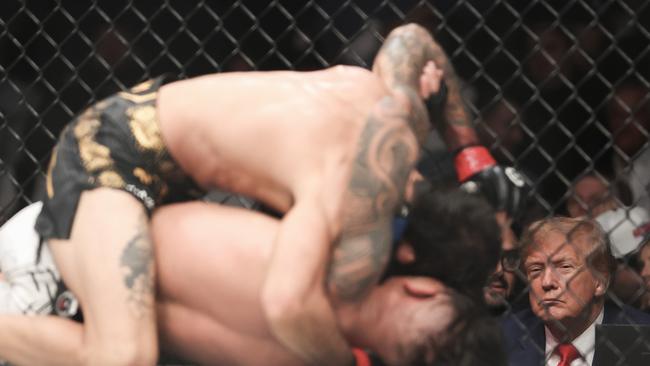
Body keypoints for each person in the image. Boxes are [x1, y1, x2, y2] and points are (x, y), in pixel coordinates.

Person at [0, 22, 514, 366]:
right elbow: (288, 301)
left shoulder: (394, 120)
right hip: (116, 149)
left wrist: (471, 152)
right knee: (124, 357)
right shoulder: (350, 211)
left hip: (158, 163)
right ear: (411, 267)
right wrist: (345, 358)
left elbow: (410, 40)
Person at [0, 189, 506, 365]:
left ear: (422, 286)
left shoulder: (342, 240)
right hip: (61, 277)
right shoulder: (296, 352)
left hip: (62, 251)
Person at [501, 216, 650, 366]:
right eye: (536, 270)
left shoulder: (643, 335)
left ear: (600, 281)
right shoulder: (500, 337)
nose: (547, 282)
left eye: (564, 267)